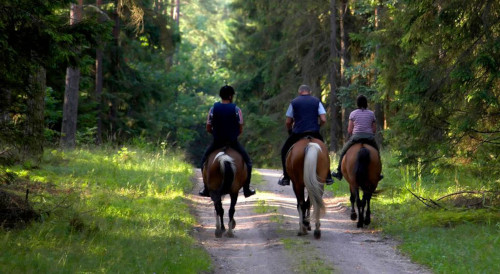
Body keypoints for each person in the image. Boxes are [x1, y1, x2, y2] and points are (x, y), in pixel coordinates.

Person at [199, 85, 256, 198]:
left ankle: (206, 188)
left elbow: (208, 127)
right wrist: (233, 136)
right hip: (232, 142)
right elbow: (240, 128)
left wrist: (215, 134)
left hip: (217, 142)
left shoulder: (213, 109)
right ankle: (246, 189)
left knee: (203, 161)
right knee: (248, 162)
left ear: (221, 96)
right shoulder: (236, 109)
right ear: (230, 96)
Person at [278, 85, 334, 186]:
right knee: (324, 151)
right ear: (310, 92)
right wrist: (318, 126)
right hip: (314, 132)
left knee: (284, 151)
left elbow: (288, 121)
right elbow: (323, 119)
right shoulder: (317, 101)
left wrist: (290, 130)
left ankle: (286, 177)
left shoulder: (294, 102)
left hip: (298, 133)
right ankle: (328, 176)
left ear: (299, 92)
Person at [331, 94, 381, 180]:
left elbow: (350, 130)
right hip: (369, 138)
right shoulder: (371, 114)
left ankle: (339, 173)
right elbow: (374, 129)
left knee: (343, 152)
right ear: (366, 103)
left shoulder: (353, 113)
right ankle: (378, 174)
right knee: (377, 152)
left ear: (357, 103)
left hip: (356, 137)